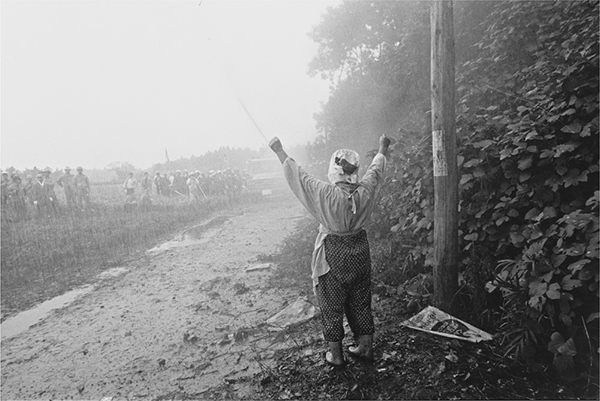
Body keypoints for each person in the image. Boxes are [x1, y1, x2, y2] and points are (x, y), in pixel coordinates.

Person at [269, 134, 390, 368]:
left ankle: (336, 356)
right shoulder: (365, 191)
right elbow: (376, 170)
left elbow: (298, 176)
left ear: (334, 169)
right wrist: (383, 147)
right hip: (359, 249)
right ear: (354, 169)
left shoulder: (324, 193)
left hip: (332, 252)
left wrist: (279, 150)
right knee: (360, 301)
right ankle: (365, 348)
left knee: (331, 304)